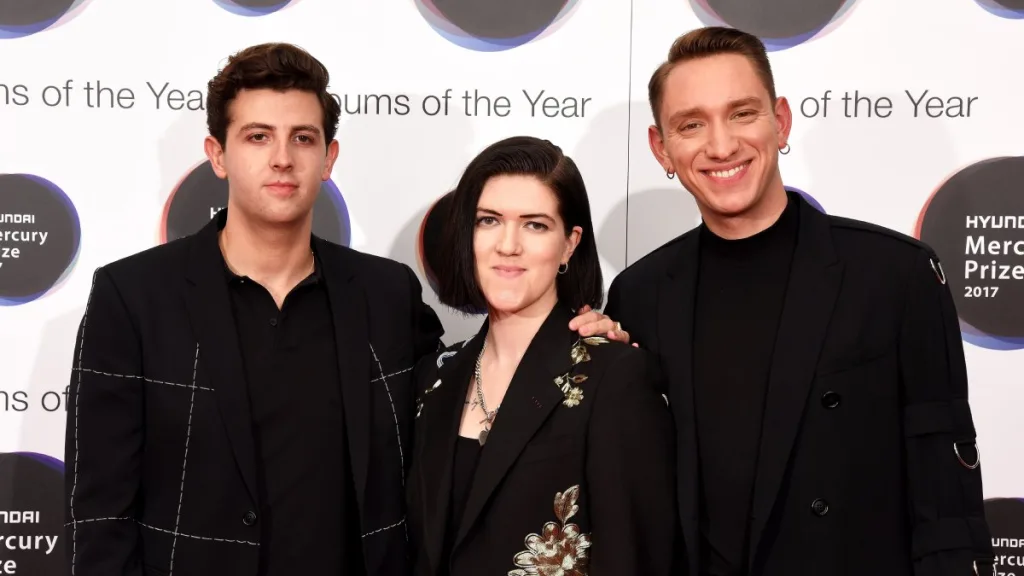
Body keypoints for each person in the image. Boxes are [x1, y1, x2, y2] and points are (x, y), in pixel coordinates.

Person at [62, 44, 620, 576]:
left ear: (328, 158)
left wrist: (570, 343)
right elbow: (99, 512)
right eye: (258, 136)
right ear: (218, 155)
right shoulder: (132, 297)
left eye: (302, 138)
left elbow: (473, 387)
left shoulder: (386, 296)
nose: (282, 158)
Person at [603, 26, 996, 576]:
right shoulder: (638, 294)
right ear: (661, 147)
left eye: (742, 114)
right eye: (691, 125)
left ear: (780, 120)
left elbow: (946, 503)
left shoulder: (895, 275)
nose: (721, 146)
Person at [405, 136, 678, 576]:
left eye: (535, 225)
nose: (508, 245)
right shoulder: (434, 379)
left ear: (569, 244)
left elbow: (635, 555)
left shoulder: (616, 376)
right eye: (488, 220)